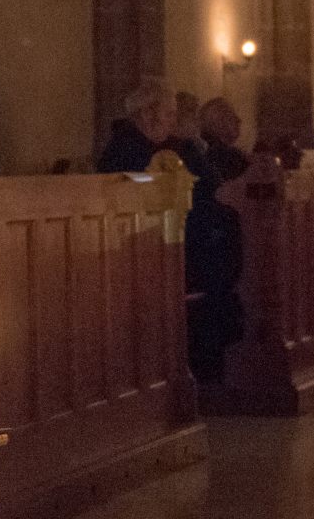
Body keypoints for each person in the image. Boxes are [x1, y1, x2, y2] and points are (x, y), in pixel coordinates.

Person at [186, 98, 255, 382]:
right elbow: (220, 193)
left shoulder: (215, 155)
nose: (239, 122)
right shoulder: (218, 157)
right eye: (231, 118)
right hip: (210, 242)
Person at [97, 79, 178, 173]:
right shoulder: (123, 153)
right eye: (169, 114)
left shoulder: (170, 146)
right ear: (147, 114)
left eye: (174, 115)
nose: (174, 122)